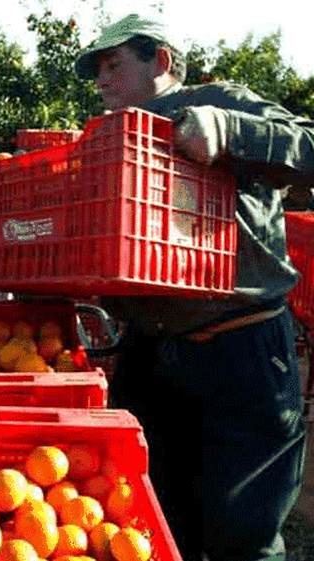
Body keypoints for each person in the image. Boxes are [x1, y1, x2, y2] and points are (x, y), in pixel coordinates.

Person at [73, 13, 311, 561]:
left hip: (240, 349)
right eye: (98, 72)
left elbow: (310, 145)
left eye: (114, 65)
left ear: (161, 61)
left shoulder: (220, 102)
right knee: (153, 517)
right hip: (152, 353)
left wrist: (231, 132)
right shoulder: (108, 139)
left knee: (240, 532)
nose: (103, 81)